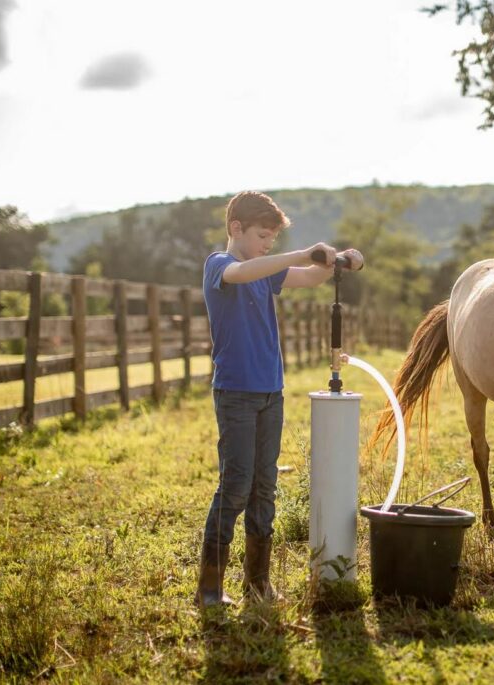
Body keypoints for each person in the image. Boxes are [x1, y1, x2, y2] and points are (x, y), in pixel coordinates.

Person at [196, 190, 363, 607]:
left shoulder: (265, 270)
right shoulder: (220, 265)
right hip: (235, 393)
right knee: (236, 486)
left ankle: (258, 584)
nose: (268, 244)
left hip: (271, 392)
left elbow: (307, 277)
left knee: (264, 486)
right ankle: (210, 589)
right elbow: (242, 273)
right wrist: (302, 252)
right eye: (262, 236)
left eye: (272, 238)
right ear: (236, 229)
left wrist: (336, 261)